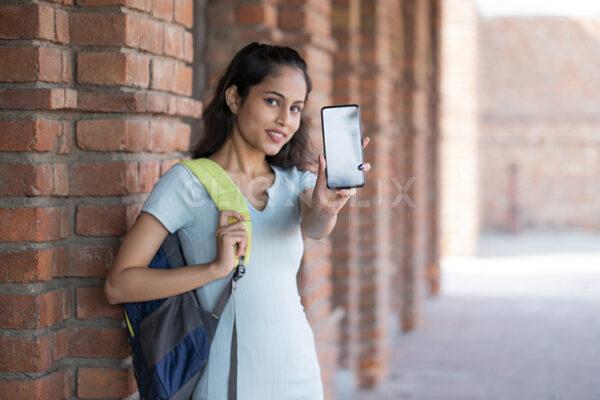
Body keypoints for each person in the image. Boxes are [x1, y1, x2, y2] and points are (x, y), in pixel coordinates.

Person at [104, 42, 371, 400]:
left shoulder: (296, 182)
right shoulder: (188, 183)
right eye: (272, 101)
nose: (285, 120)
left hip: (299, 373)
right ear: (234, 98)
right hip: (229, 378)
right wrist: (215, 269)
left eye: (295, 108)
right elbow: (119, 285)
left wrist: (327, 206)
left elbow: (317, 225)